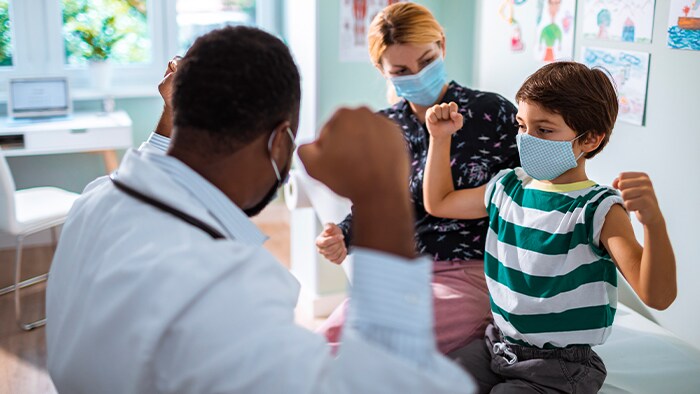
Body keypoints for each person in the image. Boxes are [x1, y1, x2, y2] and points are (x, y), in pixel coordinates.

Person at [45, 26, 476, 393]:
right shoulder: (219, 289)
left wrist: (169, 118)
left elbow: (154, 164)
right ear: (280, 141)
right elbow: (401, 384)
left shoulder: (95, 201)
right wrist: (381, 193)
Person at [422, 61, 677, 393]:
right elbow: (439, 201)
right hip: (496, 345)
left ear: (590, 139)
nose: (526, 139)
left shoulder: (597, 208)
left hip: (558, 366)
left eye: (544, 130)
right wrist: (439, 139)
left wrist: (654, 224)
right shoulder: (507, 187)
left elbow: (656, 295)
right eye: (522, 125)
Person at [315, 2, 520, 354]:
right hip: (401, 276)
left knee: (360, 351)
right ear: (383, 71)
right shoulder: (383, 129)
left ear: (442, 46)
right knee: (324, 342)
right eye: (402, 70)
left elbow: (526, 195)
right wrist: (342, 236)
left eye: (426, 61)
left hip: (474, 274)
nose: (418, 75)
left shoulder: (492, 112)